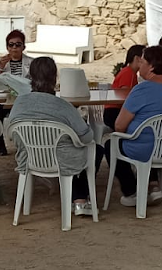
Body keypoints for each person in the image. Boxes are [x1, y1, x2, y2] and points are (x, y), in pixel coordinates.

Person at [6, 57, 98, 217]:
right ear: (54, 78)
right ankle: (80, 200)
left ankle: (77, 199)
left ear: (30, 77)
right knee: (95, 150)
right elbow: (86, 137)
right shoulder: (63, 106)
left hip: (29, 158)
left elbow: (11, 133)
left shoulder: (19, 103)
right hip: (62, 161)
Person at [109, 45, 162, 206]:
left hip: (146, 149)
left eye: (143, 61)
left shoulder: (141, 90)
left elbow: (119, 126)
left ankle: (132, 193)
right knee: (151, 137)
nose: (139, 65)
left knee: (111, 144)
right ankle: (153, 186)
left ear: (151, 66)